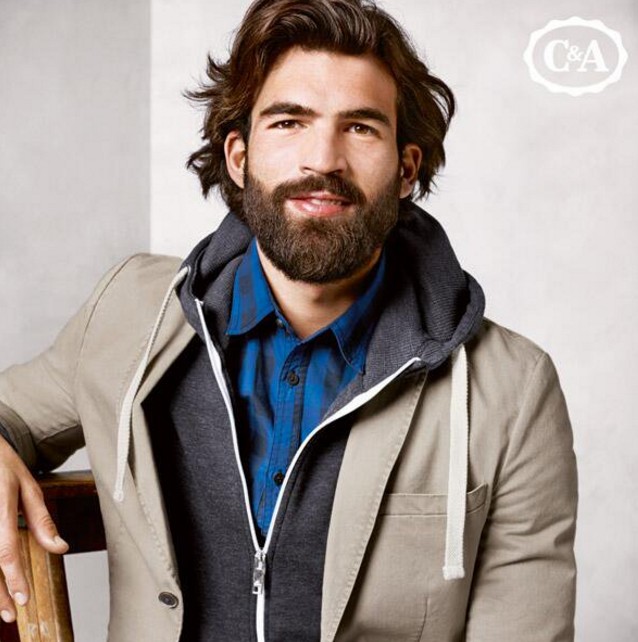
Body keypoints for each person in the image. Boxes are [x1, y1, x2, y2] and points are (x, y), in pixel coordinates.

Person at [0, 0, 577, 640]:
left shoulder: (511, 390)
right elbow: (11, 412)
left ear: (406, 169)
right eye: (288, 122)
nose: (322, 160)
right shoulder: (129, 314)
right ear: (239, 156)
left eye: (360, 127)